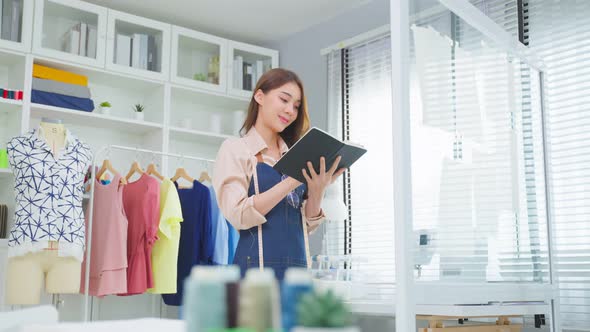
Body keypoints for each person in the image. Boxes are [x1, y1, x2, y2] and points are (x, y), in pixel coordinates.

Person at [213, 68, 345, 280]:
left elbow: (306, 226)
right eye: (284, 100)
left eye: (296, 106)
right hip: (255, 280)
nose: (290, 110)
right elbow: (238, 214)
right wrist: (292, 181)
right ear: (259, 96)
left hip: (298, 276)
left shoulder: (296, 154)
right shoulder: (235, 150)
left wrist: (317, 189)